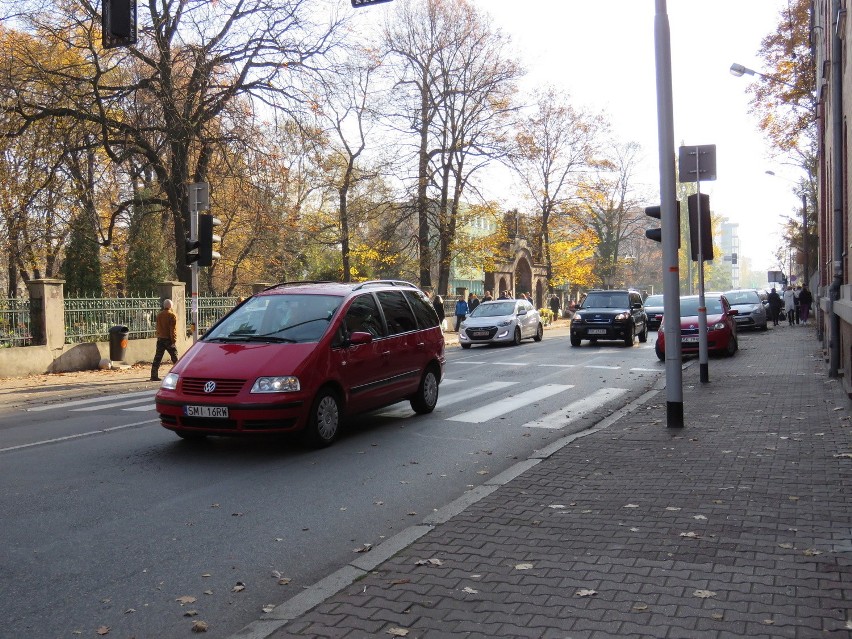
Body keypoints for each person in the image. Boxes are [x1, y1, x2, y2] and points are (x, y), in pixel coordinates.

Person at [151, 299, 179, 381]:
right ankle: (178, 374)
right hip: (168, 339)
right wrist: (173, 341)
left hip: (160, 339)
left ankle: (153, 375)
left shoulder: (159, 315)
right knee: (175, 357)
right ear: (171, 306)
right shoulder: (172, 315)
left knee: (157, 357)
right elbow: (172, 330)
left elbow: (158, 327)